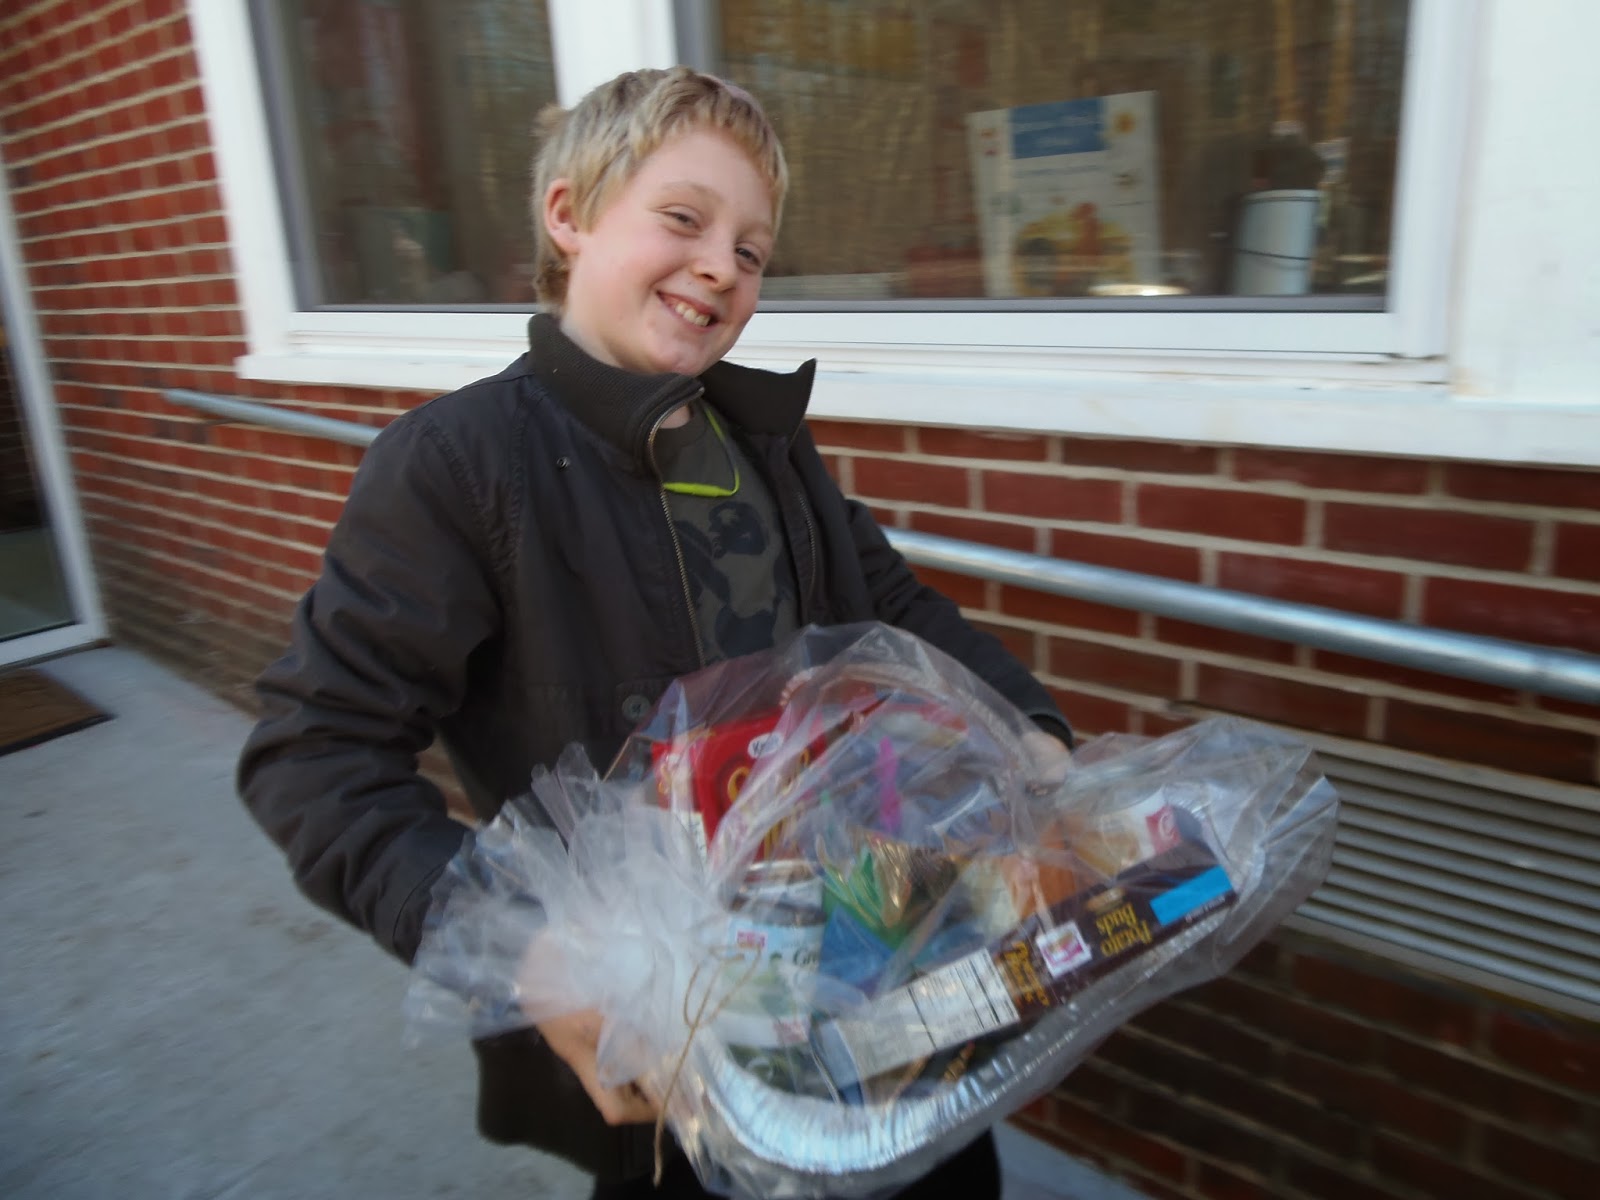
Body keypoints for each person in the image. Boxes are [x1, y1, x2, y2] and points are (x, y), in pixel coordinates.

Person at [238, 65, 1073, 1199]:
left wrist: (1029, 736)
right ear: (569, 214)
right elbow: (313, 752)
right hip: (672, 1044)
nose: (722, 266)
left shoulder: (765, 444)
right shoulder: (456, 468)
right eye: (684, 218)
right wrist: (527, 951)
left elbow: (895, 607)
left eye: (752, 250)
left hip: (873, 960)